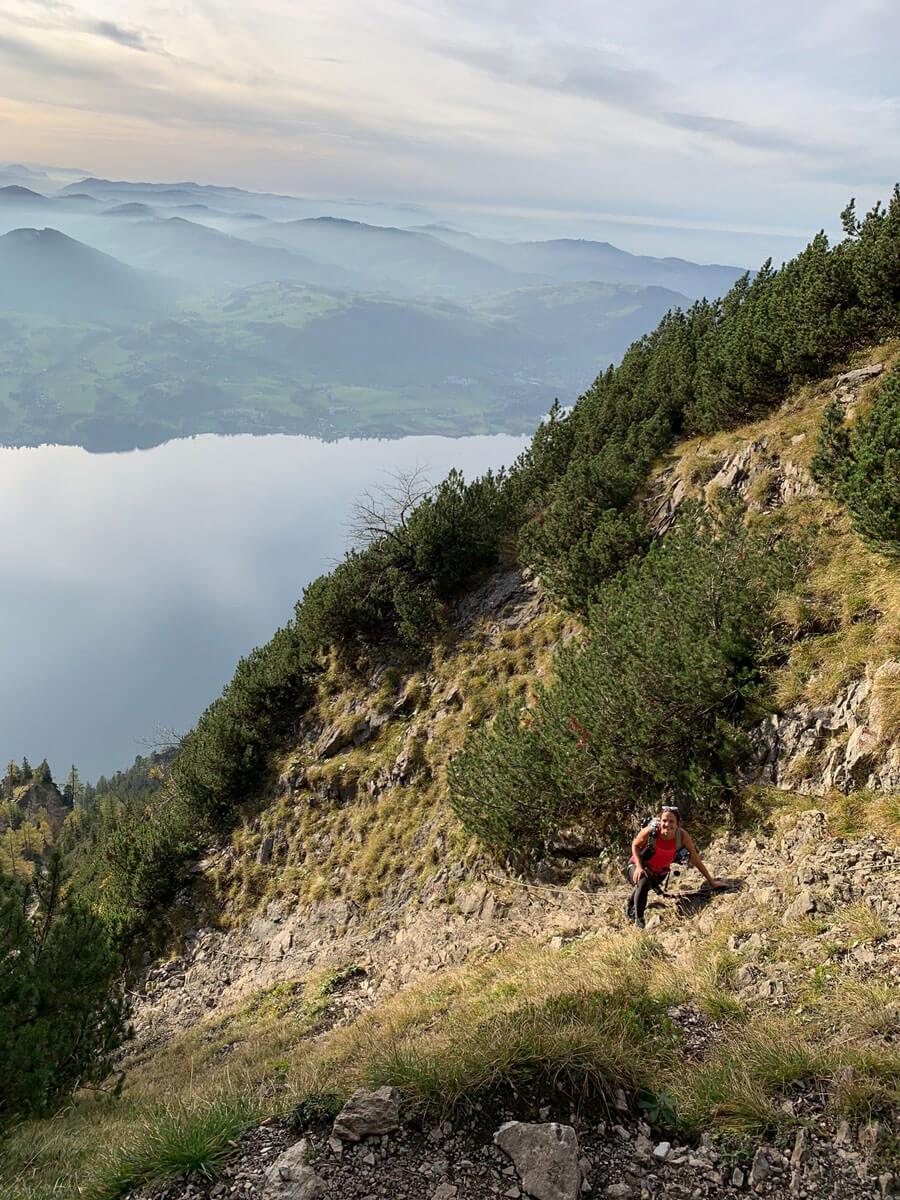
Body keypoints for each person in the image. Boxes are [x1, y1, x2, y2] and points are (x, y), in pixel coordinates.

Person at [624, 805, 726, 930]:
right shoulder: (651, 831)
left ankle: (630, 903)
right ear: (660, 821)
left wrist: (712, 882)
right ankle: (639, 922)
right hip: (635, 865)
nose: (667, 824)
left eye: (671, 821)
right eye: (664, 821)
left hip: (659, 874)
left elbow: (695, 860)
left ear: (677, 824)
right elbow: (635, 845)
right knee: (643, 880)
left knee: (645, 885)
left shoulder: (682, 837)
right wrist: (639, 867)